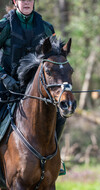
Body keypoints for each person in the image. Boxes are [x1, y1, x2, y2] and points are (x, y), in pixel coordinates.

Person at [0, 0, 66, 142]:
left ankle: (53, 158)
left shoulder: (47, 28)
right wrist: (4, 77)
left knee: (61, 116)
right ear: (15, 1)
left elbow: (55, 58)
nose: (27, 2)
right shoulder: (4, 26)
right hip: (6, 86)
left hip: (36, 86)